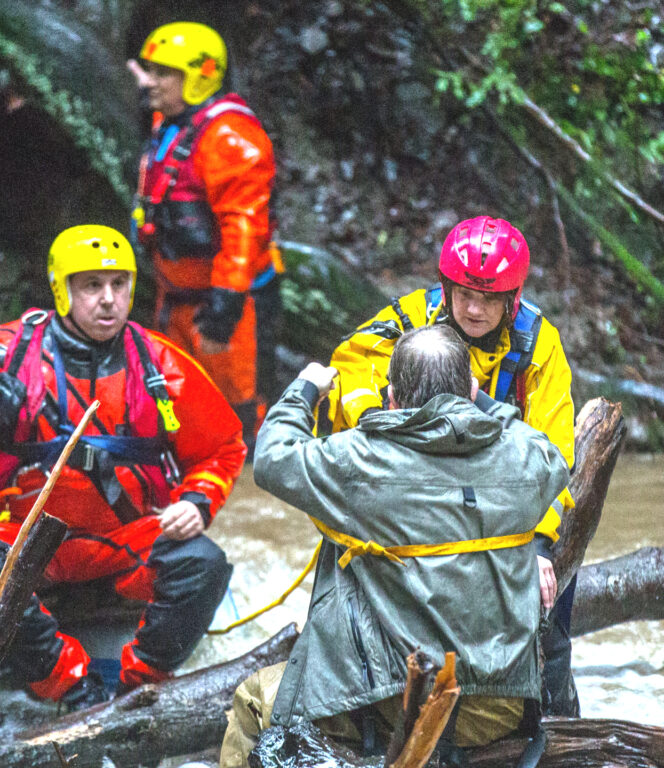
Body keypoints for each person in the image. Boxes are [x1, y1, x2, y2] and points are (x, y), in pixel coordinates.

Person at [0, 225, 246, 710]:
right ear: (62, 290)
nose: (108, 300)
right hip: (22, 535)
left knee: (203, 565)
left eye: (119, 285)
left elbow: (222, 448)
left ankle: (136, 688)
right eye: (91, 286)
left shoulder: (161, 366)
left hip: (124, 540)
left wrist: (197, 500)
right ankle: (66, 686)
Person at [220, 325, 570, 767]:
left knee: (253, 700)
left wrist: (305, 388)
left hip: (398, 705)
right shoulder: (526, 458)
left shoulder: (360, 460)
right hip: (499, 709)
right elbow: (546, 450)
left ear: (392, 399)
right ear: (471, 388)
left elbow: (272, 458)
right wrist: (477, 400)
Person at [326, 215, 579, 716]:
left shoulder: (538, 345)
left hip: (500, 497)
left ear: (512, 297)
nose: (473, 308)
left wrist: (538, 543)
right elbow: (346, 370)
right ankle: (363, 698)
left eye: (488, 298)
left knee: (552, 594)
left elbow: (555, 454)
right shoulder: (408, 319)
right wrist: (377, 419)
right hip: (415, 490)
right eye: (463, 293)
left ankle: (550, 702)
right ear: (446, 286)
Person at [127, 21, 281, 451]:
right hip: (174, 294)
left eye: (162, 73)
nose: (151, 81)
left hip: (228, 304)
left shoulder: (229, 138)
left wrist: (224, 307)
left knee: (234, 418)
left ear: (196, 77)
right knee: (172, 406)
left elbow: (244, 228)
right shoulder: (172, 123)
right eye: (149, 71)